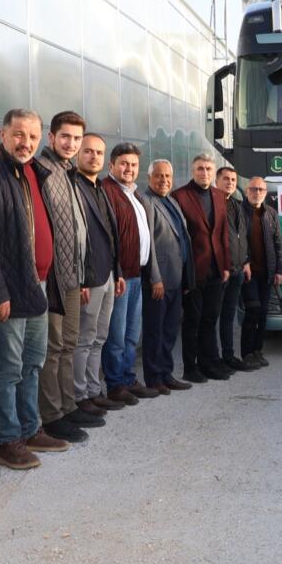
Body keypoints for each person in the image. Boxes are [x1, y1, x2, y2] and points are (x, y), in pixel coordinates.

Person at [0, 109, 70, 470]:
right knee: (8, 368)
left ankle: (30, 429)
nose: (26, 143)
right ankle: (7, 441)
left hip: (37, 285)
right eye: (19, 134)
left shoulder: (35, 172)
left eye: (33, 136)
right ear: (3, 134)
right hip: (9, 289)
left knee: (32, 363)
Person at [37, 111, 98, 444]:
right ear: (51, 137)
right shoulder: (42, 171)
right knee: (54, 347)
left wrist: (83, 275)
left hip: (73, 277)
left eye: (76, 138)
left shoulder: (68, 172)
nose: (71, 143)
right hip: (53, 279)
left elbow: (75, 229)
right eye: (65, 137)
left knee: (69, 344)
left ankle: (68, 405)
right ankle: (52, 415)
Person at [101, 143, 160, 403]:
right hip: (121, 277)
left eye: (134, 164)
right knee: (116, 335)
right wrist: (117, 273)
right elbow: (109, 238)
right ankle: (115, 384)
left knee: (131, 334)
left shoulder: (133, 194)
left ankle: (127, 378)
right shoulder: (108, 191)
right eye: (124, 163)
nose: (129, 168)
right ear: (111, 165)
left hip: (137, 274)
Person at [72, 134, 126, 417]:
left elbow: (111, 235)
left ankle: (94, 390)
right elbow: (74, 238)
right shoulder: (74, 186)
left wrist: (118, 272)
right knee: (84, 338)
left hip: (108, 275)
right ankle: (79, 395)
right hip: (89, 278)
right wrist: (80, 278)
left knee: (99, 337)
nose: (94, 157)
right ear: (77, 154)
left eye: (99, 153)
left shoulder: (101, 188)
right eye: (88, 151)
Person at [171, 154, 233, 382]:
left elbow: (223, 233)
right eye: (200, 168)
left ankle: (209, 363)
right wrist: (183, 274)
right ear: (192, 171)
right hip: (193, 271)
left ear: (213, 172)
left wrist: (225, 265)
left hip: (216, 268)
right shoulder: (180, 196)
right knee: (192, 321)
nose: (204, 172)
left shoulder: (219, 196)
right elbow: (178, 238)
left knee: (210, 318)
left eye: (208, 168)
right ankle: (190, 367)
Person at [140, 159, 194, 393]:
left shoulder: (172, 201)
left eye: (168, 176)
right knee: (155, 331)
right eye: (159, 176)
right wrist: (155, 278)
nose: (164, 180)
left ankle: (166, 373)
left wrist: (187, 277)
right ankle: (154, 378)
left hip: (176, 277)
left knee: (170, 330)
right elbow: (149, 244)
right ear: (149, 178)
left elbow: (182, 238)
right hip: (159, 281)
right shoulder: (147, 201)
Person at [241, 176, 282, 368]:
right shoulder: (239, 212)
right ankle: (246, 353)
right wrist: (244, 261)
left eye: (261, 189)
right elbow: (236, 241)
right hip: (248, 273)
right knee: (253, 310)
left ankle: (257, 350)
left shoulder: (271, 214)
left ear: (265, 193)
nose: (257, 192)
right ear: (246, 191)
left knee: (263, 313)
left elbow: (278, 244)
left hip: (267, 273)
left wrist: (279, 271)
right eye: (253, 189)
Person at [216, 166, 255, 372]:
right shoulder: (213, 204)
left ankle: (229, 355)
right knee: (213, 317)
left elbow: (243, 237)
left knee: (229, 316)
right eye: (226, 179)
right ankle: (215, 358)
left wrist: (246, 261)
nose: (230, 182)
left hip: (238, 270)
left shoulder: (237, 204)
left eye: (233, 179)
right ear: (217, 181)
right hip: (221, 271)